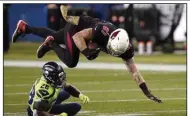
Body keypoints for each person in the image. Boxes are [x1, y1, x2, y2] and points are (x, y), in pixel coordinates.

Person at [12, 5, 162, 104]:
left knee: (57, 36)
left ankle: (25, 28)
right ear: (110, 40)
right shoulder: (100, 31)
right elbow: (78, 37)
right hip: (77, 28)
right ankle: (51, 45)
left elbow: (134, 71)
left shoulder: (126, 48)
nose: (115, 53)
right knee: (71, 61)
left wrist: (146, 92)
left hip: (84, 32)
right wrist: (86, 52)